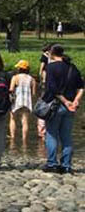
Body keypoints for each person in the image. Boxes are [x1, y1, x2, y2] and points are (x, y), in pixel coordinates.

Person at [42, 44, 84, 174]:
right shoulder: (73, 68)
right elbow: (81, 87)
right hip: (71, 107)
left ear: (52, 53)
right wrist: (76, 100)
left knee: (52, 134)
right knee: (66, 136)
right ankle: (66, 165)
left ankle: (52, 163)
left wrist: (65, 101)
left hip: (56, 105)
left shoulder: (51, 67)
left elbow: (52, 89)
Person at [9, 60, 36, 143]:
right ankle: (24, 140)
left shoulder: (15, 77)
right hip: (27, 101)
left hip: (17, 100)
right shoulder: (32, 79)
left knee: (12, 118)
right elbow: (34, 93)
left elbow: (11, 89)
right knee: (25, 121)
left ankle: (13, 138)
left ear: (19, 69)